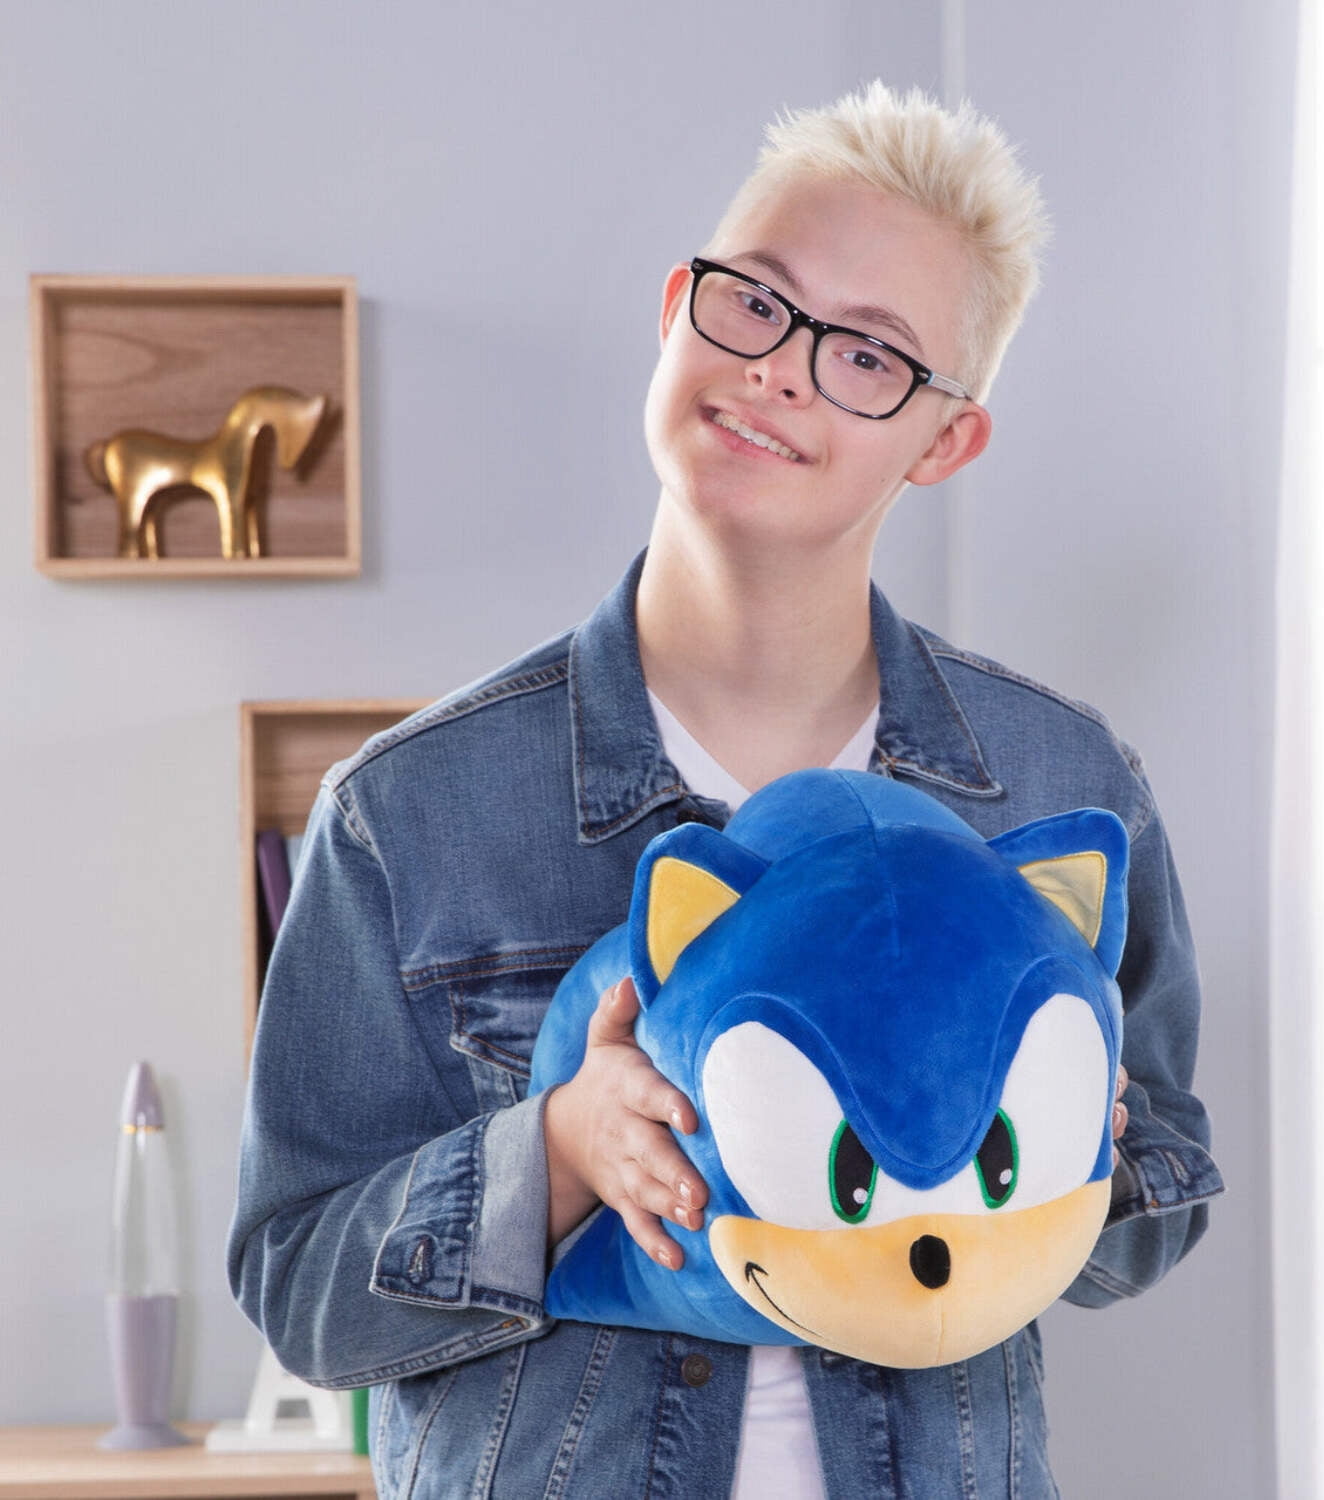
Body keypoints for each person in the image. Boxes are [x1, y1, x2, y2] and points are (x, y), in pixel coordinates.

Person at [229, 81, 1223, 1499]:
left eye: (867, 354)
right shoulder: (410, 813)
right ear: (675, 310)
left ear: (944, 441)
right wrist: (554, 1154)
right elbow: (297, 1288)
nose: (780, 371)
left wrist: (1065, 1134)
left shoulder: (1061, 786)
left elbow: (1153, 1210)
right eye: (756, 302)